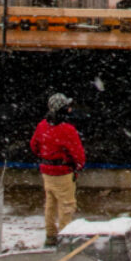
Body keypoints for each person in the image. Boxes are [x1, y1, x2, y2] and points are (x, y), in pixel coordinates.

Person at [30, 93, 85, 247]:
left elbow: (34, 145)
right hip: (63, 172)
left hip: (46, 171)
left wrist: (45, 157)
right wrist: (78, 166)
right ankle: (65, 238)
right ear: (64, 109)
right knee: (66, 205)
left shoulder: (42, 125)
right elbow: (78, 154)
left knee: (50, 203)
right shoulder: (67, 130)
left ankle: (51, 235)